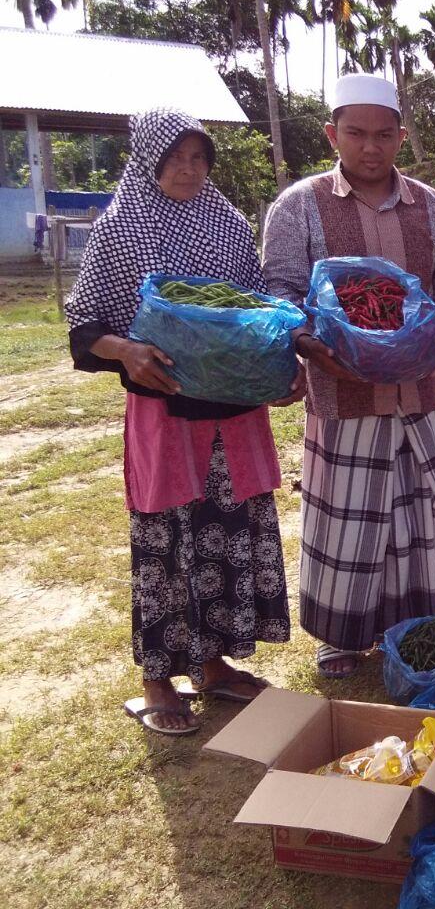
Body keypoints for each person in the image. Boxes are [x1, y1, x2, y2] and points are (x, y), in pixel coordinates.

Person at [66, 108, 298, 736]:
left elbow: (252, 308)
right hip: (166, 409)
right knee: (166, 540)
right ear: (148, 158)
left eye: (198, 157)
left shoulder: (224, 220)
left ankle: (212, 663)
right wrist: (127, 351)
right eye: (175, 156)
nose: (188, 169)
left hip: (232, 411)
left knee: (226, 532)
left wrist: (278, 368)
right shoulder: (121, 226)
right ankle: (156, 677)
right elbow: (85, 327)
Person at [262, 73, 435, 678]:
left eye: (384, 135)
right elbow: (278, 288)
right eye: (356, 133)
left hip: (419, 392)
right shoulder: (300, 205)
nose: (371, 147)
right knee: (347, 517)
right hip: (341, 396)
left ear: (402, 137)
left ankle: (415, 629)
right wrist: (310, 341)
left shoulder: (429, 206)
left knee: (420, 515)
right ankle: (340, 636)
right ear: (333, 133)